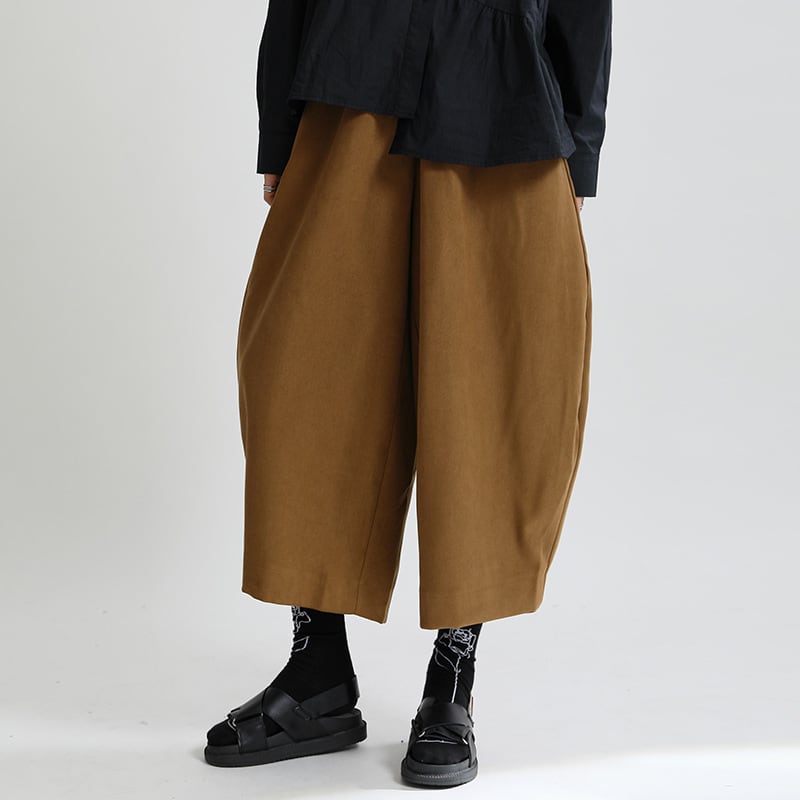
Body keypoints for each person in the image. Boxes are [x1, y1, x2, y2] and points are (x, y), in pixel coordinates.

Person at [204, 0, 612, 788]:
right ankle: (318, 671)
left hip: (507, 111)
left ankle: (452, 676)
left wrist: (580, 148)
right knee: (305, 376)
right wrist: (279, 131)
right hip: (348, 90)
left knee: (487, 396)